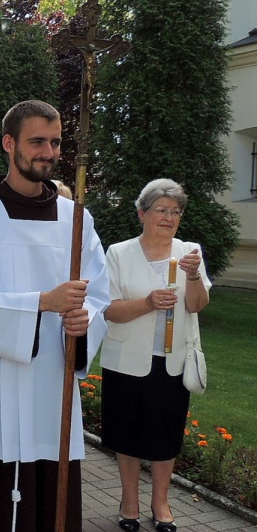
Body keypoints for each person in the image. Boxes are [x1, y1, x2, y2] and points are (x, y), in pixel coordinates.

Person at [0, 100, 110, 532]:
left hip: (53, 384)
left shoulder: (77, 219)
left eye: (54, 142)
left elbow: (99, 292)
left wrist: (84, 319)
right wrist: (40, 303)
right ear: (9, 143)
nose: (48, 152)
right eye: (37, 141)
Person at [100, 179, 210, 532]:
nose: (168, 217)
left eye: (175, 211)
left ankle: (161, 503)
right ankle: (129, 501)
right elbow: (110, 310)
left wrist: (193, 276)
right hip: (127, 361)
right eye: (161, 210)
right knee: (126, 433)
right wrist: (147, 303)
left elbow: (196, 305)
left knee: (166, 435)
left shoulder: (189, 251)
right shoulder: (118, 253)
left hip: (173, 361)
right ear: (141, 214)